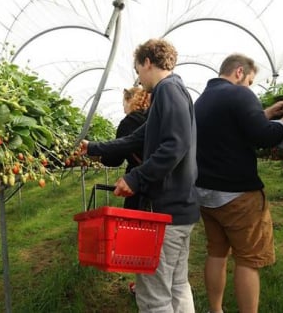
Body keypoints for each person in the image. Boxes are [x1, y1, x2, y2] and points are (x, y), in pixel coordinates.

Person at [80, 38, 199, 313]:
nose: (139, 77)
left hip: (165, 211)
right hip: (180, 209)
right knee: (177, 284)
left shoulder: (168, 89)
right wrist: (94, 148)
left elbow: (174, 146)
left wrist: (136, 178)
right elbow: (139, 137)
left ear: (147, 62)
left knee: (153, 296)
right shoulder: (170, 92)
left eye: (138, 68)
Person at [194, 53, 283, 313]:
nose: (250, 87)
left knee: (216, 253)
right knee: (248, 260)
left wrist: (263, 113)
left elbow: (230, 127)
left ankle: (215, 310)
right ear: (239, 72)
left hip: (205, 194)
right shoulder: (240, 94)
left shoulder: (201, 101)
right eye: (250, 81)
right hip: (237, 195)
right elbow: (263, 136)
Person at [100, 86, 151, 209]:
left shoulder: (128, 123)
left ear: (129, 100)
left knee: (135, 222)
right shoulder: (152, 117)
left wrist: (99, 156)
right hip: (157, 179)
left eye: (124, 104)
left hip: (138, 182)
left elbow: (115, 158)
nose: (124, 110)